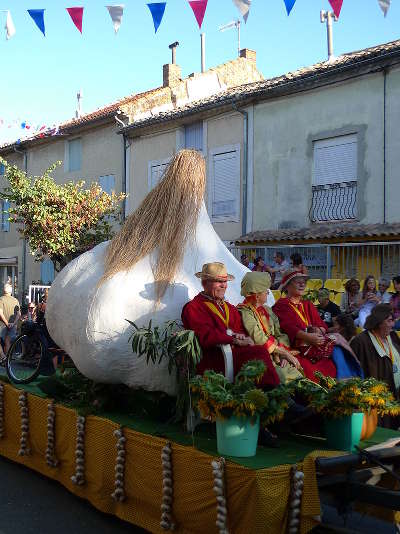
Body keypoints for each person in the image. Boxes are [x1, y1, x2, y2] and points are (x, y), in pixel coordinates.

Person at [181, 262, 279, 388]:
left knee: (260, 352)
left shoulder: (229, 307)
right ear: (204, 283)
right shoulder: (194, 307)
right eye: (218, 281)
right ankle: (274, 395)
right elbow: (206, 335)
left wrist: (242, 337)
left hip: (232, 355)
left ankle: (270, 396)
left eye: (225, 281)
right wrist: (234, 340)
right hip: (213, 359)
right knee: (259, 353)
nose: (223, 285)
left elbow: (239, 329)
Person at [273, 270, 362, 382]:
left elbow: (322, 325)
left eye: (304, 282)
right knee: (312, 372)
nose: (302, 284)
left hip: (316, 347)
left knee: (338, 350)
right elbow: (288, 328)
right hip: (297, 349)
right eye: (298, 282)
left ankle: (351, 380)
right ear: (287, 286)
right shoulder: (281, 305)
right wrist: (308, 337)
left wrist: (318, 330)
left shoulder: (308, 304)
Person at [237, 272, 302, 384]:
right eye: (265, 290)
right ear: (257, 296)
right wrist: (284, 353)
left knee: (298, 376)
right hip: (262, 358)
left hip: (277, 355)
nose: (268, 292)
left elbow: (280, 333)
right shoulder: (245, 312)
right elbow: (259, 338)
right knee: (284, 379)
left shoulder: (267, 310)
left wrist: (283, 353)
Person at [351, 304, 400, 428]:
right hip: (377, 402)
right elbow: (355, 375)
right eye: (389, 321)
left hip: (396, 396)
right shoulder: (361, 342)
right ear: (378, 322)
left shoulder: (392, 336)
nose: (393, 324)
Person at [0, 283, 20, 358]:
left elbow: (0, 313)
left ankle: (3, 357)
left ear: (3, 290)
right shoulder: (15, 300)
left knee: (4, 342)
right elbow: (19, 314)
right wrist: (13, 323)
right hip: (12, 326)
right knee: (7, 341)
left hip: (2, 325)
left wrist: (6, 323)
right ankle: (7, 360)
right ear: (11, 292)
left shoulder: (1, 299)